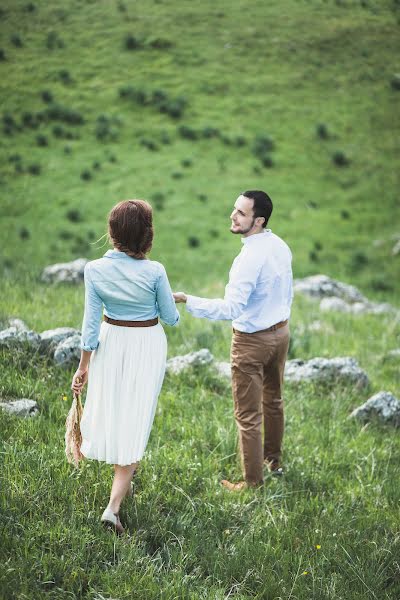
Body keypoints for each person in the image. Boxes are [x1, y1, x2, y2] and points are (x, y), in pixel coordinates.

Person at [71, 199, 179, 533]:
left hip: (110, 342)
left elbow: (90, 327)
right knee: (135, 418)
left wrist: (83, 366)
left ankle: (123, 485)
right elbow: (171, 319)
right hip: (145, 344)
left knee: (115, 409)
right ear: (147, 234)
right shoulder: (155, 271)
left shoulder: (94, 269)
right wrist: (173, 298)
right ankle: (112, 508)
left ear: (113, 232)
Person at [174, 190, 293, 491]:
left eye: (241, 213)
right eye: (234, 209)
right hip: (280, 333)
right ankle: (273, 461)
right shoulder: (279, 245)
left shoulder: (248, 259)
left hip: (251, 342)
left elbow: (231, 308)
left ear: (259, 220)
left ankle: (253, 484)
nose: (233, 215)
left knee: (248, 415)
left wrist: (188, 299)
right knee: (274, 400)